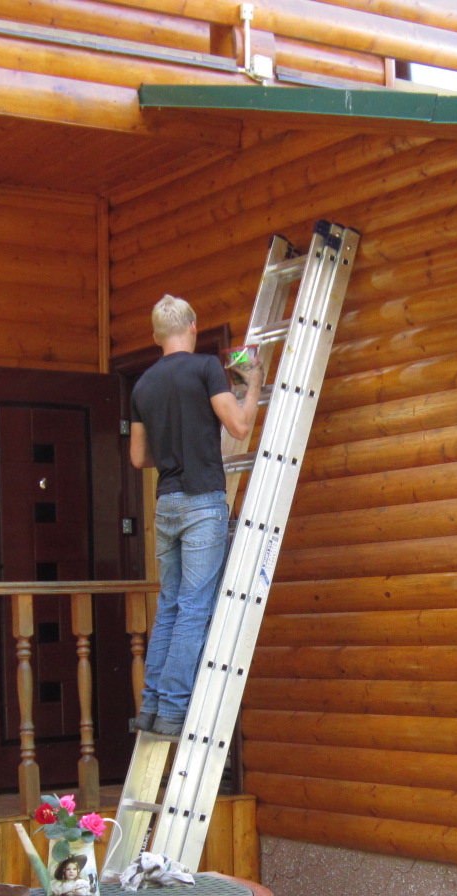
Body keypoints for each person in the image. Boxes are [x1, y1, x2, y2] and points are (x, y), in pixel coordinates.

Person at [127, 295, 261, 739]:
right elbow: (240, 427)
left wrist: (171, 446)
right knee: (195, 609)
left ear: (155, 336)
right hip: (202, 501)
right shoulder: (205, 368)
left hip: (165, 503)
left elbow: (138, 457)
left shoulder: (142, 386)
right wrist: (253, 383)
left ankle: (151, 706)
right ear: (193, 325)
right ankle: (174, 710)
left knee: (170, 604)